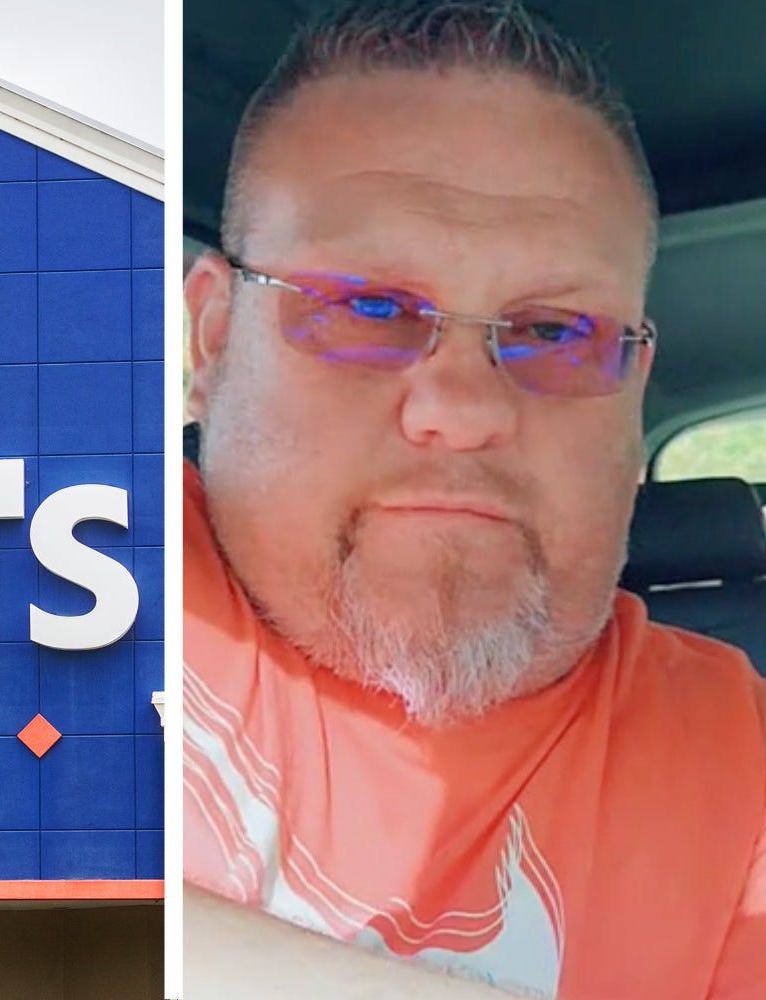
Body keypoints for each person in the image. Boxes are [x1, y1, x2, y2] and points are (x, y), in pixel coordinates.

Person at [180, 2, 766, 996]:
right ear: (210, 340)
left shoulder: (735, 767)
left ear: (629, 388)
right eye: (364, 307)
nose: (460, 408)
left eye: (552, 333)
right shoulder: (36, 585)